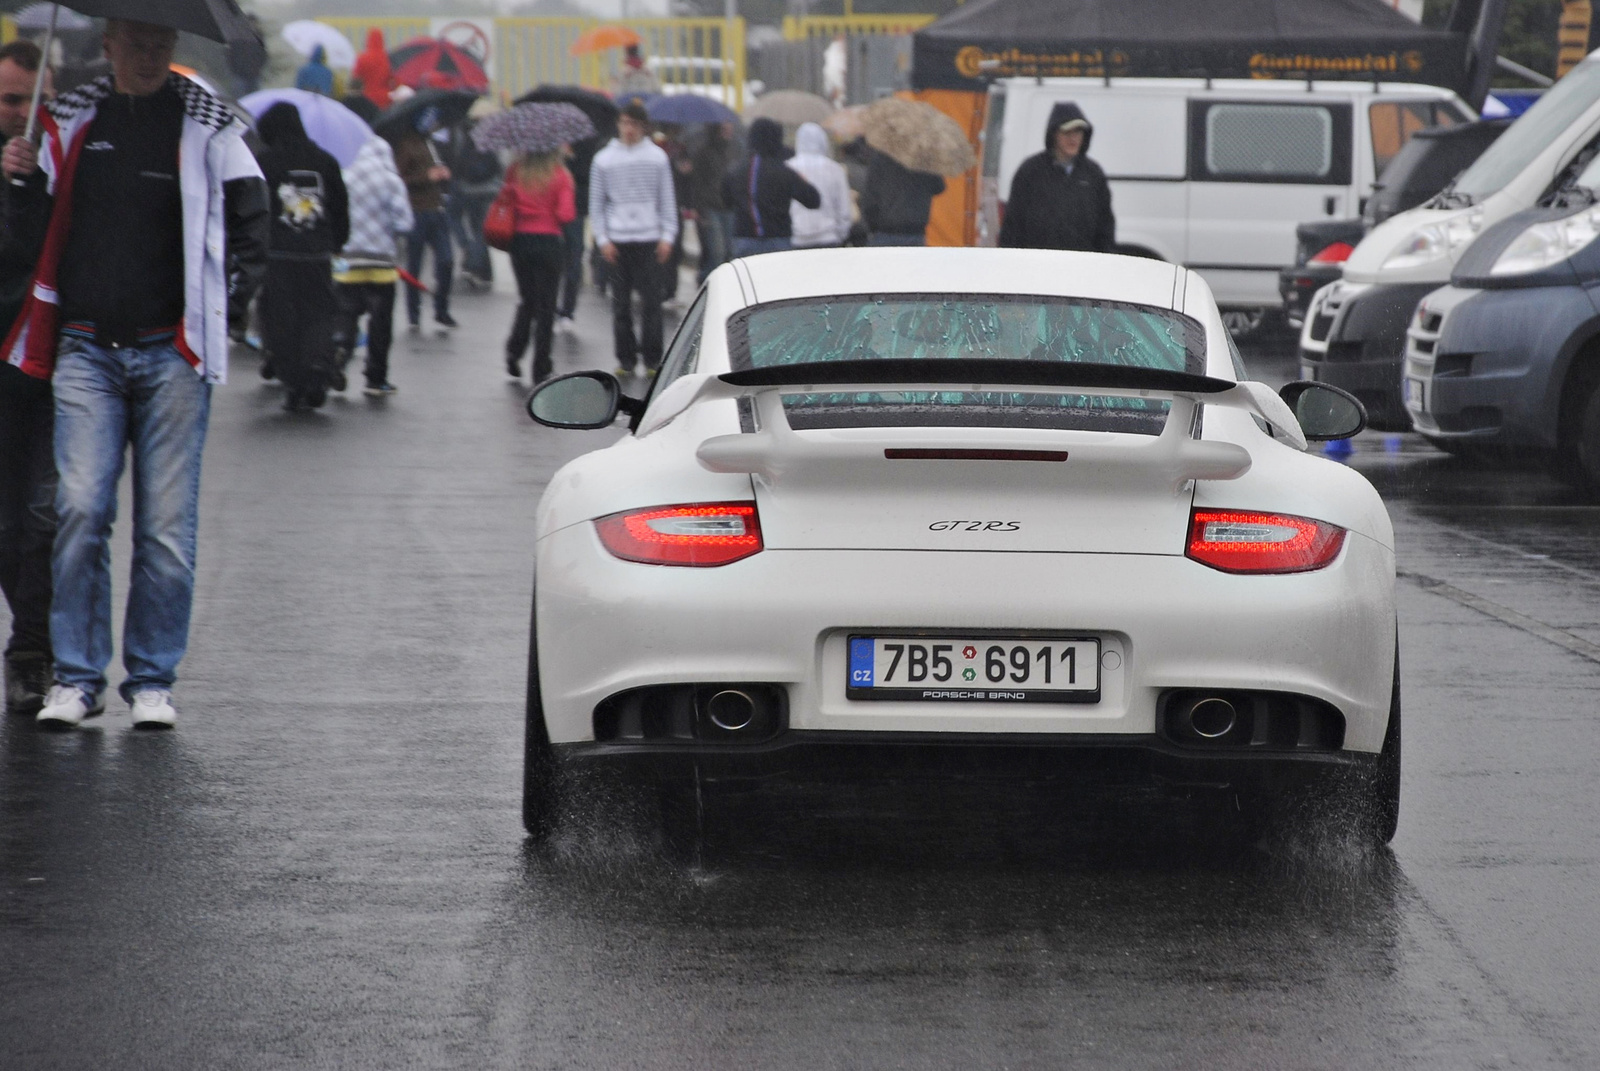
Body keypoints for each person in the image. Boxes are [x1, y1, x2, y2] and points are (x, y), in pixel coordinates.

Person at [2, 19, 269, 729]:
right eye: (136, 41)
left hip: (173, 351)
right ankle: (78, 676)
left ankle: (152, 678)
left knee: (164, 529)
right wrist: (22, 180)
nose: (150, 55)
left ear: (172, 50)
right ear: (111, 44)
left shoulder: (212, 128)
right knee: (80, 510)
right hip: (84, 348)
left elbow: (253, 222)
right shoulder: (69, 123)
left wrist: (228, 313)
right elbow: (29, 233)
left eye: (161, 43)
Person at [0, 40, 54, 716]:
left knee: (48, 515)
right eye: (10, 100)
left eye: (29, 97)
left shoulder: (60, 162)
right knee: (6, 524)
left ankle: (35, 649)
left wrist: (36, 183)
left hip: (46, 364)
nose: (22, 111)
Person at [256, 102, 349, 412]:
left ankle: (293, 381)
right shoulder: (326, 162)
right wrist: (337, 242)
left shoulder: (264, 163)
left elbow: (251, 206)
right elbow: (339, 207)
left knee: (281, 316)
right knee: (319, 312)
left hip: (277, 254)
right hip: (317, 253)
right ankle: (318, 367)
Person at [588, 99, 676, 377]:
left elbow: (666, 200)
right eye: (625, 123)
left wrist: (667, 236)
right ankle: (625, 359)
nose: (629, 129)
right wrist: (603, 239)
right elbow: (597, 204)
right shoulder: (603, 159)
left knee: (651, 303)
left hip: (649, 237)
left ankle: (652, 359)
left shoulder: (657, 158)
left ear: (643, 127)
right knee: (620, 304)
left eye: (635, 124)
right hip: (618, 240)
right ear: (618, 124)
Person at [335, 135, 412, 397]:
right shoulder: (391, 181)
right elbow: (405, 223)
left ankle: (340, 351)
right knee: (380, 324)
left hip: (348, 265)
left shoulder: (345, 177)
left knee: (346, 314)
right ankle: (375, 379)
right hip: (381, 266)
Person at [997, 102, 1115, 253]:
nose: (1073, 138)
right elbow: (1013, 223)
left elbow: (1105, 225)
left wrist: (1105, 260)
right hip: (1038, 264)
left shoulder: (1093, 173)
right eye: (1067, 132)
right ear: (1054, 134)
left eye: (1078, 132)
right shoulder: (1030, 171)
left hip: (1082, 265)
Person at [500, 148, 575, 383]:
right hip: (548, 243)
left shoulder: (515, 171)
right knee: (546, 308)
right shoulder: (560, 174)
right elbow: (566, 214)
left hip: (520, 242)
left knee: (527, 300)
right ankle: (541, 367)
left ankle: (514, 351)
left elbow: (506, 199)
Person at [722, 117, 819, 259]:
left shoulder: (735, 171)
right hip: (778, 240)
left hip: (745, 239)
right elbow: (813, 201)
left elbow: (726, 202)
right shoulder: (784, 172)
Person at [392, 118, 457, 330]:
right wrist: (426, 177)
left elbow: (438, 169)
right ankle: (413, 313)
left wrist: (443, 173)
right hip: (417, 211)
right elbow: (399, 179)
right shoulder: (406, 144)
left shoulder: (432, 143)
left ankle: (441, 309)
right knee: (415, 264)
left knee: (446, 260)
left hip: (437, 209)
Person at [554, 130, 602, 334]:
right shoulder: (550, 140)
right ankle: (551, 306)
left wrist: (570, 158)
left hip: (575, 210)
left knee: (573, 257)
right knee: (553, 261)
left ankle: (567, 310)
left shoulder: (589, 142)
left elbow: (587, 176)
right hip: (551, 210)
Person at [448, 118, 503, 289]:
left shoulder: (464, 138)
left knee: (470, 226)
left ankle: (471, 259)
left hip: (468, 190)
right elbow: (498, 166)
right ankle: (482, 270)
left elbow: (458, 166)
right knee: (481, 231)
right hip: (488, 191)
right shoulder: (492, 140)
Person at [787, 121, 852, 249]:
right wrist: (840, 235)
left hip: (796, 238)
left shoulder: (789, 167)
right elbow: (844, 208)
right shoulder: (835, 169)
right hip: (828, 237)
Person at [861, 148, 945, 246]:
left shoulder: (881, 156)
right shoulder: (925, 158)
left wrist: (871, 225)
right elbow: (939, 187)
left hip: (884, 231)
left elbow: (870, 197)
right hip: (916, 231)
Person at [684, 120, 734, 283]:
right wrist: (698, 208)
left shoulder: (731, 151)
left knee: (728, 250)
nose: (728, 131)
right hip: (710, 207)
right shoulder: (703, 153)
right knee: (717, 251)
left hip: (728, 206)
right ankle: (706, 280)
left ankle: (712, 280)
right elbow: (697, 183)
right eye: (725, 129)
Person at [350, 28, 393, 111]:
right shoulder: (386, 59)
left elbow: (356, 78)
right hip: (384, 99)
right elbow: (392, 79)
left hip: (366, 99)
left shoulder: (362, 59)